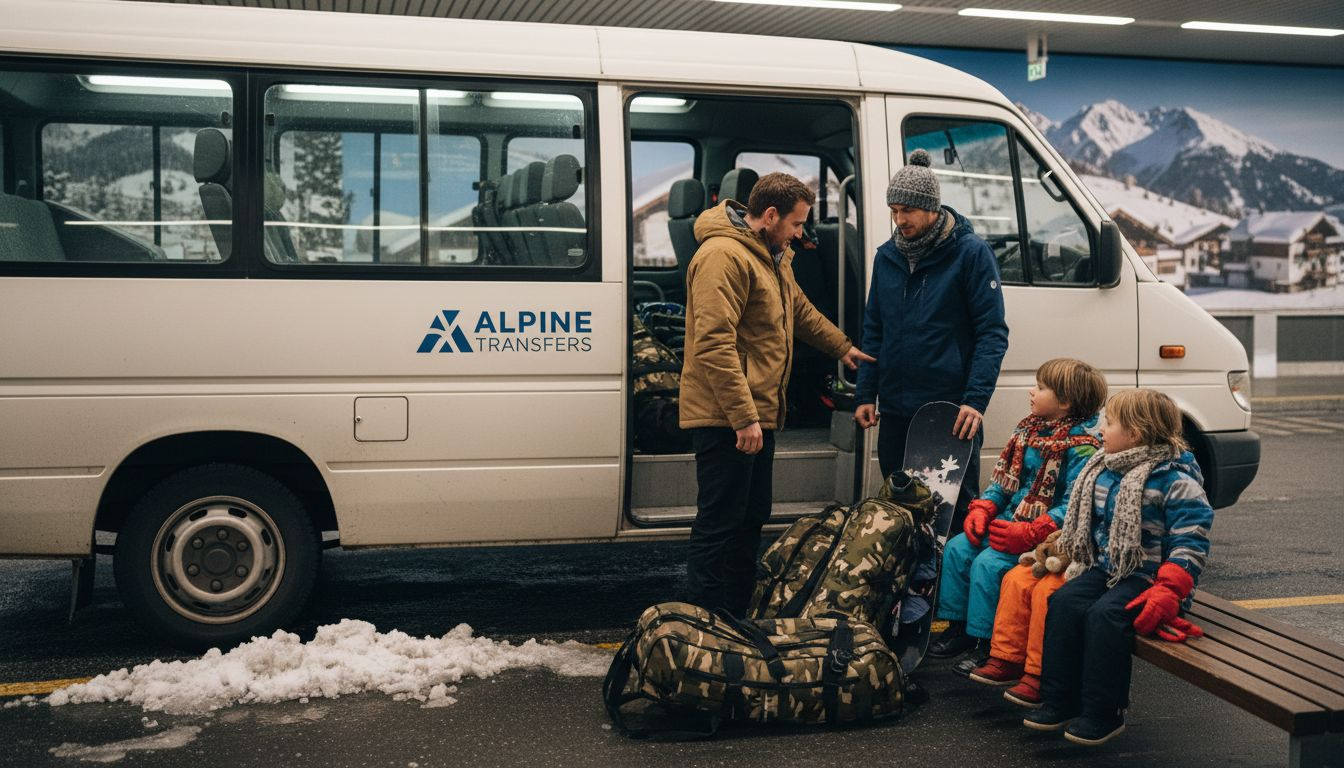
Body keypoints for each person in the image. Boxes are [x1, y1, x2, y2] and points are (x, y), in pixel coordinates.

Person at [680, 172, 874, 617]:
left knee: (750, 518)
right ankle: (705, 625)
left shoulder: (771, 254)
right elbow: (713, 344)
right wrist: (743, 418)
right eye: (796, 224)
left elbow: (799, 310)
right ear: (770, 216)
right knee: (720, 524)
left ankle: (735, 617)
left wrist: (842, 347)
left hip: (756, 414)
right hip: (726, 416)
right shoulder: (723, 257)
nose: (801, 233)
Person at [1024, 389, 1214, 746]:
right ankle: (1061, 699)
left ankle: (1103, 713)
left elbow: (1192, 539)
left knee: (1105, 616)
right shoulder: (1105, 469)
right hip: (1111, 567)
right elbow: (1091, 526)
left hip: (1152, 579)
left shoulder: (1177, 481)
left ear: (1135, 434)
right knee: (1064, 602)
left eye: (1108, 423)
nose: (1100, 430)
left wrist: (1170, 589)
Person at [854, 147, 1009, 507]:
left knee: (949, 513)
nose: (899, 220)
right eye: (894, 211)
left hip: (949, 411)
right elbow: (874, 328)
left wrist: (974, 401)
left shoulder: (970, 254)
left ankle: (950, 567)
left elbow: (992, 333)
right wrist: (866, 393)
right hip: (895, 409)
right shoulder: (887, 257)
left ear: (932, 208)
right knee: (899, 509)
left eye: (907, 210)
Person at [930, 359, 1106, 671]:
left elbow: (1074, 504)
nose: (1031, 392)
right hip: (1009, 524)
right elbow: (1003, 484)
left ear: (1064, 402)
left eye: (1040, 388)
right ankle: (958, 628)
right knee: (957, 549)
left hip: (1042, 537)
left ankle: (986, 641)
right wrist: (984, 506)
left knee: (988, 564)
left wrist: (1034, 531)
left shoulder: (1082, 448)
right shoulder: (1027, 431)